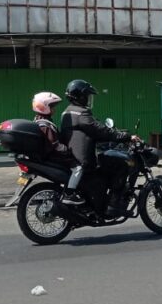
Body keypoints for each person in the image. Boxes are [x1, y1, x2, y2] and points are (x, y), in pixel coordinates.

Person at [60, 79, 138, 217]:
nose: (88, 99)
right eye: (87, 96)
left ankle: (99, 203)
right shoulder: (81, 113)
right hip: (82, 159)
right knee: (120, 166)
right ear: (80, 96)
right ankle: (113, 205)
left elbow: (89, 133)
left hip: (73, 154)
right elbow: (100, 130)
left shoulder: (67, 112)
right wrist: (126, 136)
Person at [31, 91, 84, 205]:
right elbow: (55, 145)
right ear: (44, 107)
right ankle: (69, 194)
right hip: (53, 156)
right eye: (52, 106)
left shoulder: (38, 120)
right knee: (78, 167)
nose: (54, 109)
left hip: (47, 155)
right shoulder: (45, 125)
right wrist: (69, 151)